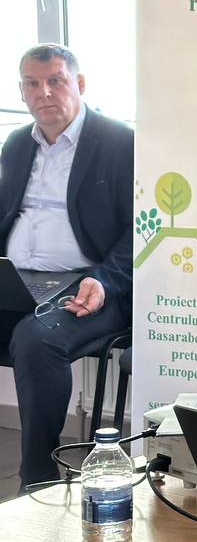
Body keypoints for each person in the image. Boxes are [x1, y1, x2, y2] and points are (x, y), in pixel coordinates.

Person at [0, 44, 133, 490]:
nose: (44, 92)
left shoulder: (120, 143)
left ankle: (37, 480)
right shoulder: (17, 144)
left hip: (90, 285)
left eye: (55, 81)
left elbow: (141, 229)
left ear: (79, 84)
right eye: (32, 83)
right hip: (18, 279)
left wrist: (105, 279)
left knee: (35, 340)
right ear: (21, 91)